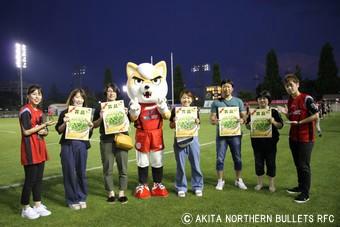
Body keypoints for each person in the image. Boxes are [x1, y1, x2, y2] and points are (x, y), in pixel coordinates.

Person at [278, 74, 319, 203]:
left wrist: (300, 123)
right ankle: (300, 186)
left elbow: (316, 115)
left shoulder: (306, 98)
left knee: (304, 165)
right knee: (298, 164)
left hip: (306, 138)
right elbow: (292, 119)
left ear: (297, 84)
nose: (289, 88)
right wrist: (285, 114)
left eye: (291, 85)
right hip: (293, 137)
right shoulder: (290, 100)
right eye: (287, 86)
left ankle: (305, 193)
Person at [19, 85, 55, 219]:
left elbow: (44, 132)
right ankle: (25, 208)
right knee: (30, 180)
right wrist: (43, 126)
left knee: (39, 179)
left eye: (39, 94)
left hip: (40, 147)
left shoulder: (40, 112)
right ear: (28, 96)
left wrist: (44, 130)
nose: (37, 96)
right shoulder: (25, 110)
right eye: (33, 94)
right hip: (30, 149)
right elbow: (26, 131)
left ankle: (37, 205)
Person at [55, 88, 93, 210]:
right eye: (76, 97)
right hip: (67, 145)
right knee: (69, 172)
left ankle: (81, 197)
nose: (79, 99)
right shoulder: (65, 112)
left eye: (81, 97)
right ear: (72, 98)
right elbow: (58, 130)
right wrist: (65, 123)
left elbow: (89, 134)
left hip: (82, 145)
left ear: (84, 100)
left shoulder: (87, 113)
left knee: (81, 172)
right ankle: (72, 199)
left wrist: (90, 127)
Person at [93, 83, 129, 204]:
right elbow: (93, 125)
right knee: (107, 168)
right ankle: (110, 192)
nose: (111, 93)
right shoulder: (100, 107)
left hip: (122, 138)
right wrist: (101, 117)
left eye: (113, 91)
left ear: (117, 93)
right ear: (106, 93)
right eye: (109, 91)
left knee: (123, 167)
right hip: (106, 140)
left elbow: (131, 121)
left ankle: (122, 192)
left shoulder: (122, 106)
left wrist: (126, 113)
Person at [210, 79, 248, 190]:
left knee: (237, 158)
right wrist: (215, 120)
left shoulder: (238, 101)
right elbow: (212, 119)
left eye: (228, 86)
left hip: (235, 134)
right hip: (221, 135)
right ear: (221, 88)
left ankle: (238, 180)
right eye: (224, 87)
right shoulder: (216, 102)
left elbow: (244, 116)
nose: (226, 89)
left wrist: (242, 120)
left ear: (232, 88)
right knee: (220, 159)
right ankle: (220, 181)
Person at [246, 90, 283, 192]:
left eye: (264, 98)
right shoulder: (253, 112)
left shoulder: (273, 111)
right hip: (257, 143)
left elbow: (280, 125)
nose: (262, 100)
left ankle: (271, 184)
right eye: (260, 98)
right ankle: (260, 183)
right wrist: (248, 125)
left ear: (268, 100)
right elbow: (248, 125)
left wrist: (273, 121)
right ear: (257, 100)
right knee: (258, 163)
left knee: (271, 163)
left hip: (271, 143)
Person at [169, 90, 204, 197]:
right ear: (180, 99)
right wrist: (174, 122)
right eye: (184, 97)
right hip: (179, 139)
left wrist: (198, 122)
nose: (186, 100)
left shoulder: (195, 110)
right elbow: (171, 125)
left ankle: (197, 186)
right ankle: (181, 187)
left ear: (191, 99)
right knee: (180, 164)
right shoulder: (176, 110)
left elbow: (198, 125)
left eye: (188, 98)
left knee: (196, 164)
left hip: (193, 139)